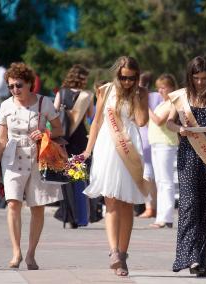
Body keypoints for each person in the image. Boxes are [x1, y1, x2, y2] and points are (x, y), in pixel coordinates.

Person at [0, 62, 63, 269]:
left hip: (38, 157)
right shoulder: (6, 105)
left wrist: (45, 133)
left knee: (37, 206)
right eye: (11, 86)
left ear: (30, 83)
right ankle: (16, 252)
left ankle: (31, 253)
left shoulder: (44, 103)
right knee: (13, 203)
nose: (15, 90)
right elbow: (2, 138)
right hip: (12, 158)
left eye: (19, 85)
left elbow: (59, 129)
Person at [82, 56, 149, 277]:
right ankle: (114, 253)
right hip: (107, 147)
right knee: (111, 199)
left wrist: (139, 95)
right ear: (117, 75)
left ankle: (123, 253)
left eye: (132, 78)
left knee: (126, 203)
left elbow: (141, 121)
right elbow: (97, 122)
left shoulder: (140, 93)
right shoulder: (105, 90)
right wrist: (87, 151)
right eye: (123, 78)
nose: (127, 82)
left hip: (129, 147)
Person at [166, 56, 206, 277]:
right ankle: (187, 256)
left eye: (204, 78)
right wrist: (180, 130)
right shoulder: (181, 96)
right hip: (188, 156)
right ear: (190, 76)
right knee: (189, 205)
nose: (201, 82)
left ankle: (199, 260)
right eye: (196, 78)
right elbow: (169, 122)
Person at [53, 64, 99, 228]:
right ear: (82, 78)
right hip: (79, 140)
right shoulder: (87, 95)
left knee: (66, 179)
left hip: (63, 140)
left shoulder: (61, 93)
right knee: (78, 179)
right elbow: (90, 115)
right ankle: (81, 217)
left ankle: (68, 215)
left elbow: (53, 114)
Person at [148, 74, 179, 228]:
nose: (160, 91)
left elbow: (160, 121)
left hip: (166, 144)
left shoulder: (173, 103)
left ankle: (166, 217)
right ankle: (161, 216)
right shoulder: (162, 103)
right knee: (160, 181)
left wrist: (146, 109)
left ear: (171, 88)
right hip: (156, 143)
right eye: (159, 88)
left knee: (166, 180)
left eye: (163, 87)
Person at [136, 71, 162, 218]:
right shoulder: (151, 96)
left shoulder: (153, 97)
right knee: (148, 175)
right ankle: (150, 207)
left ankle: (150, 207)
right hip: (142, 135)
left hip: (149, 136)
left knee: (149, 175)